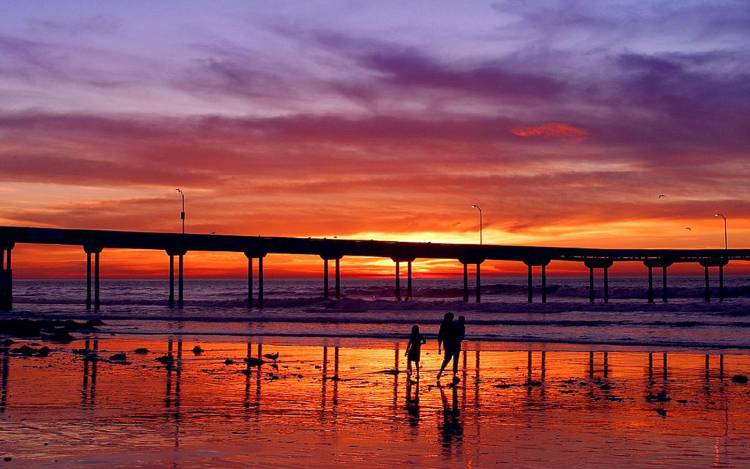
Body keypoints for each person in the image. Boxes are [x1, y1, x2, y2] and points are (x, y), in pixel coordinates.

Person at [436, 312, 455, 381]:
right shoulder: (452, 324)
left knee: (447, 358)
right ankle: (453, 373)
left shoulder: (444, 324)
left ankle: (441, 372)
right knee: (450, 358)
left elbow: (440, 336)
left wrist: (439, 347)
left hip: (447, 343)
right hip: (451, 343)